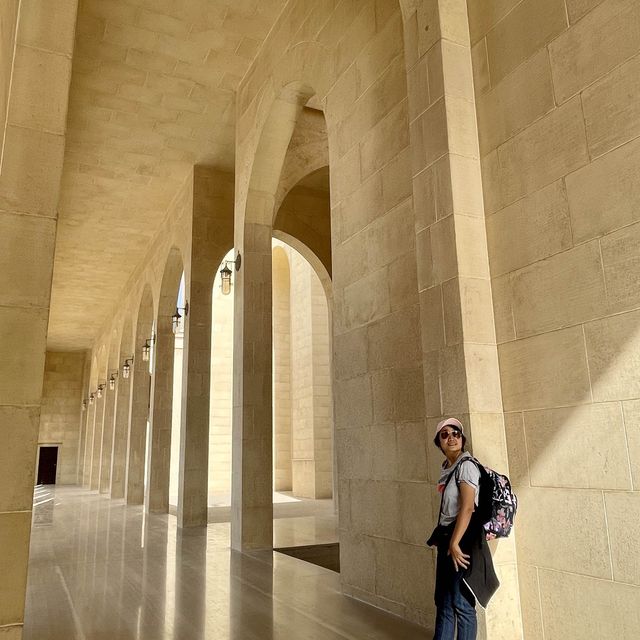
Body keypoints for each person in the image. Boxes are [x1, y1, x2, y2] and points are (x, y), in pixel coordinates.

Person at [426, 418, 498, 640]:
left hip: (462, 540)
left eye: (456, 433)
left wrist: (455, 543)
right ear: (439, 443)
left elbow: (467, 508)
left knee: (461, 603)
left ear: (462, 438)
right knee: (444, 601)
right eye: (445, 434)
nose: (452, 437)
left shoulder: (466, 466)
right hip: (448, 538)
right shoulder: (448, 468)